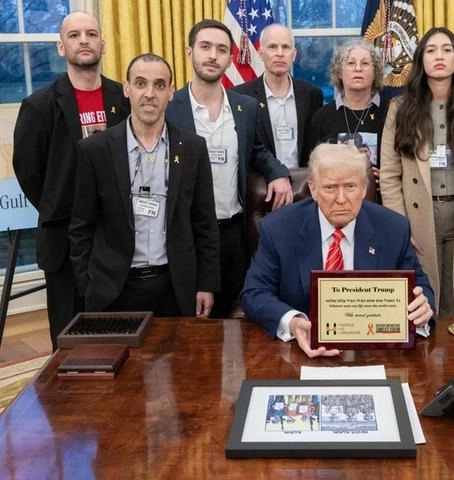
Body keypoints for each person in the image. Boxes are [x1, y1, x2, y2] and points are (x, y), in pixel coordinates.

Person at [241, 143, 435, 358]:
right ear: (313, 189)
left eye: (350, 187)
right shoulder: (279, 229)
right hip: (299, 353)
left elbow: (420, 286)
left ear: (364, 188)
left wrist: (422, 307)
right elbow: (254, 293)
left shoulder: (393, 228)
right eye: (330, 188)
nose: (341, 199)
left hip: (373, 351)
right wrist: (294, 322)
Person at [69, 53, 220, 318]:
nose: (149, 94)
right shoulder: (95, 150)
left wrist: (206, 283)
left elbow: (205, 223)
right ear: (126, 88)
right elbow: (81, 226)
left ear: (171, 92)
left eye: (159, 85)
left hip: (175, 287)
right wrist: (87, 286)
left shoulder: (193, 148)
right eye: (140, 83)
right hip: (114, 289)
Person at [12, 11, 130, 349]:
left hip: (115, 237)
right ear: (61, 46)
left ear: (102, 44)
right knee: (68, 343)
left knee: (117, 335)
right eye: (75, 35)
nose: (84, 41)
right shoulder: (39, 105)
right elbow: (29, 171)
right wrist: (64, 206)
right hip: (62, 240)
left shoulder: (122, 98)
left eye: (91, 34)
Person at [165, 19, 293, 318]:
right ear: (189, 52)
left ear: (230, 57)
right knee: (191, 321)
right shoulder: (170, 107)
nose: (213, 55)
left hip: (233, 233)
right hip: (187, 235)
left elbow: (257, 150)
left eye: (221, 49)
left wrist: (278, 173)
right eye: (205, 47)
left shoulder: (245, 107)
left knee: (235, 320)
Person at [380, 27, 454, 316]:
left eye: (446, 50)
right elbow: (389, 175)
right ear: (421, 60)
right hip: (419, 217)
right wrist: (399, 225)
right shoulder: (400, 108)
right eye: (431, 50)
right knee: (423, 298)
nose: (439, 56)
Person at [233, 23, 324, 168]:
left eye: (285, 47)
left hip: (304, 179)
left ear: (294, 54)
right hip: (262, 180)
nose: (280, 53)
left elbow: (316, 145)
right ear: (260, 53)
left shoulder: (312, 95)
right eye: (272, 47)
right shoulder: (241, 96)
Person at [310, 39, 387, 196]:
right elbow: (313, 166)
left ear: (376, 72)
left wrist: (389, 176)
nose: (358, 68)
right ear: (339, 72)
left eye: (365, 63)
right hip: (336, 201)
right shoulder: (322, 116)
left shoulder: (391, 113)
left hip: (382, 200)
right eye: (351, 63)